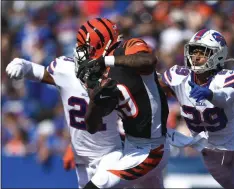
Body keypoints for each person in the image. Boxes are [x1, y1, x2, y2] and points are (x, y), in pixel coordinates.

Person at [5, 18, 159, 188]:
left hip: (110, 155)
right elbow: (40, 73)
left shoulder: (118, 78)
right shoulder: (64, 68)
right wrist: (22, 65)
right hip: (82, 158)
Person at [159, 29, 234, 188]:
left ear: (218, 55)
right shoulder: (178, 77)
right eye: (193, 51)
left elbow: (229, 95)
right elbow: (153, 91)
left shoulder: (224, 77)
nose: (195, 57)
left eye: (202, 53)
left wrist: (211, 94)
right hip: (210, 153)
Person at [76, 21, 170, 189]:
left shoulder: (129, 47)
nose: (86, 55)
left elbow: (149, 60)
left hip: (152, 149)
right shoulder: (101, 76)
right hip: (131, 145)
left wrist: (106, 60)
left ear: (98, 43)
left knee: (98, 185)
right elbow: (92, 126)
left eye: (87, 48)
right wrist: (94, 101)